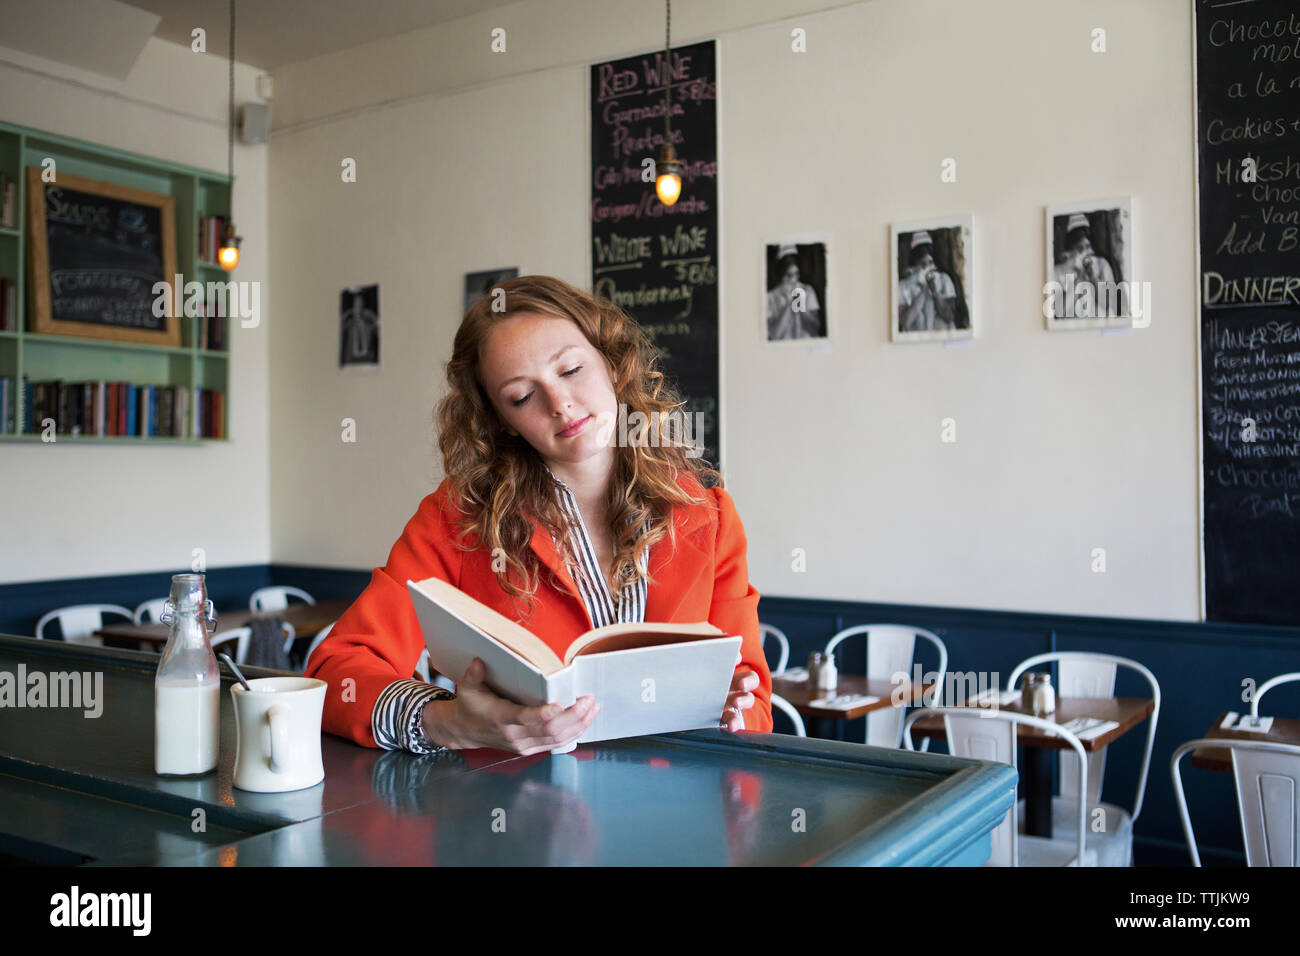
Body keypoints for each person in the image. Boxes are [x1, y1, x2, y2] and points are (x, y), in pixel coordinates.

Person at [308, 275, 773, 756]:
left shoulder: (709, 517)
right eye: (521, 397)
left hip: (676, 817)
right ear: (501, 422)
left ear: (612, 364)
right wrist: (445, 721)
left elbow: (755, 701)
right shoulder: (457, 520)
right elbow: (336, 671)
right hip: (517, 817)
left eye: (571, 370)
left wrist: (731, 714)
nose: (560, 404)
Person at [1053, 212, 1120, 318]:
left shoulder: (1102, 264)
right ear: (1070, 251)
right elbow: (1059, 314)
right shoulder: (1058, 271)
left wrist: (1093, 279)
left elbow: (1110, 306)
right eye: (1080, 248)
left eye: (1088, 246)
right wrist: (1077, 281)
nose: (1086, 253)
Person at [897, 230, 959, 333]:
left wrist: (935, 292)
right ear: (914, 266)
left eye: (930, 262)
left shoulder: (944, 280)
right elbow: (905, 322)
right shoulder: (904, 286)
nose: (927, 268)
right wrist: (923, 291)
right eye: (922, 264)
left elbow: (949, 316)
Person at [766, 245, 823, 339]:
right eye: (789, 276)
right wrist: (789, 305)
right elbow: (775, 336)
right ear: (781, 274)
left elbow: (815, 329)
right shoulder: (770, 297)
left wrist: (801, 307)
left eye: (797, 274)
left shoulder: (808, 291)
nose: (793, 280)